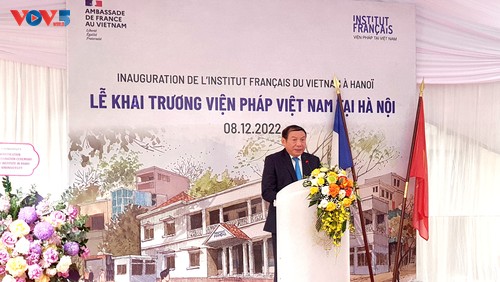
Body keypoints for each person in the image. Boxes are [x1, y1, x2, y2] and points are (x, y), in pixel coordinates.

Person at [261, 124, 321, 282]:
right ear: (283, 141)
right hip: (283, 222)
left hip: (309, 223)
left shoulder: (313, 161)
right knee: (285, 266)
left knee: (307, 264)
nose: (299, 144)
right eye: (294, 140)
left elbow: (320, 189)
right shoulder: (273, 160)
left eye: (302, 139)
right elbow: (267, 191)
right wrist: (289, 201)